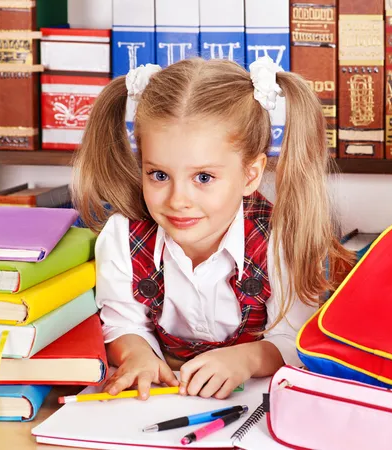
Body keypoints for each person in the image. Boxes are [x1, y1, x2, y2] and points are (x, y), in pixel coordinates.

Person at [72, 56, 354, 401]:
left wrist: (246, 359)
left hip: (256, 404)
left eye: (203, 177)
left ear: (250, 174)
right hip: (160, 402)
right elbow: (123, 323)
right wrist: (137, 355)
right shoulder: (121, 236)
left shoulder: (281, 238)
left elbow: (295, 341)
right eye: (159, 175)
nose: (178, 200)